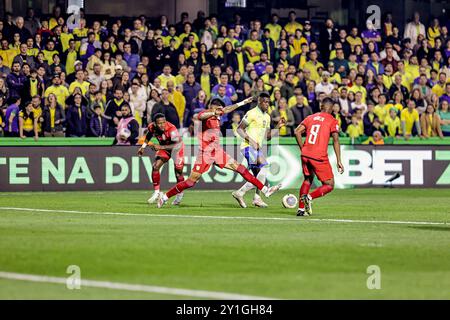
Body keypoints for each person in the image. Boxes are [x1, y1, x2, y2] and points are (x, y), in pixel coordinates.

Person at [156, 96, 281, 208]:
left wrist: (243, 102)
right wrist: (212, 112)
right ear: (213, 107)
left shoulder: (218, 115)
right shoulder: (205, 114)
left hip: (217, 152)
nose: (221, 110)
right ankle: (165, 197)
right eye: (219, 108)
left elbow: (227, 109)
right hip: (205, 154)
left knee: (241, 169)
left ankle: (265, 190)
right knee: (190, 182)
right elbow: (200, 116)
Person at [232, 92, 286, 208]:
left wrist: (278, 127)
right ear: (259, 102)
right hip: (247, 146)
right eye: (265, 102)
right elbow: (240, 129)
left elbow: (267, 136)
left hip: (257, 148)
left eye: (268, 102)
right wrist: (251, 141)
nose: (267, 104)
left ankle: (248, 195)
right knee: (264, 166)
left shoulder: (267, 117)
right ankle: (264, 192)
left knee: (258, 176)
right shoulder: (251, 113)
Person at [294, 97, 344, 216]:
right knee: (329, 185)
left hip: (305, 154)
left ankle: (301, 209)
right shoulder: (332, 120)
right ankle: (309, 198)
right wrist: (339, 160)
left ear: (321, 106)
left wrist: (303, 148)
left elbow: (297, 131)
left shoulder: (310, 117)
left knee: (307, 179)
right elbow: (335, 140)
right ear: (331, 109)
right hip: (319, 156)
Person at [138, 113, 186, 205]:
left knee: (178, 171)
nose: (162, 125)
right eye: (159, 123)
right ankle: (156, 193)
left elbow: (177, 144)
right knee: (155, 166)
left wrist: (160, 147)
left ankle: (180, 194)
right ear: (155, 124)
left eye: (164, 122)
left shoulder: (171, 129)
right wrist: (143, 147)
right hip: (164, 148)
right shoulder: (152, 127)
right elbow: (149, 135)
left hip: (177, 149)